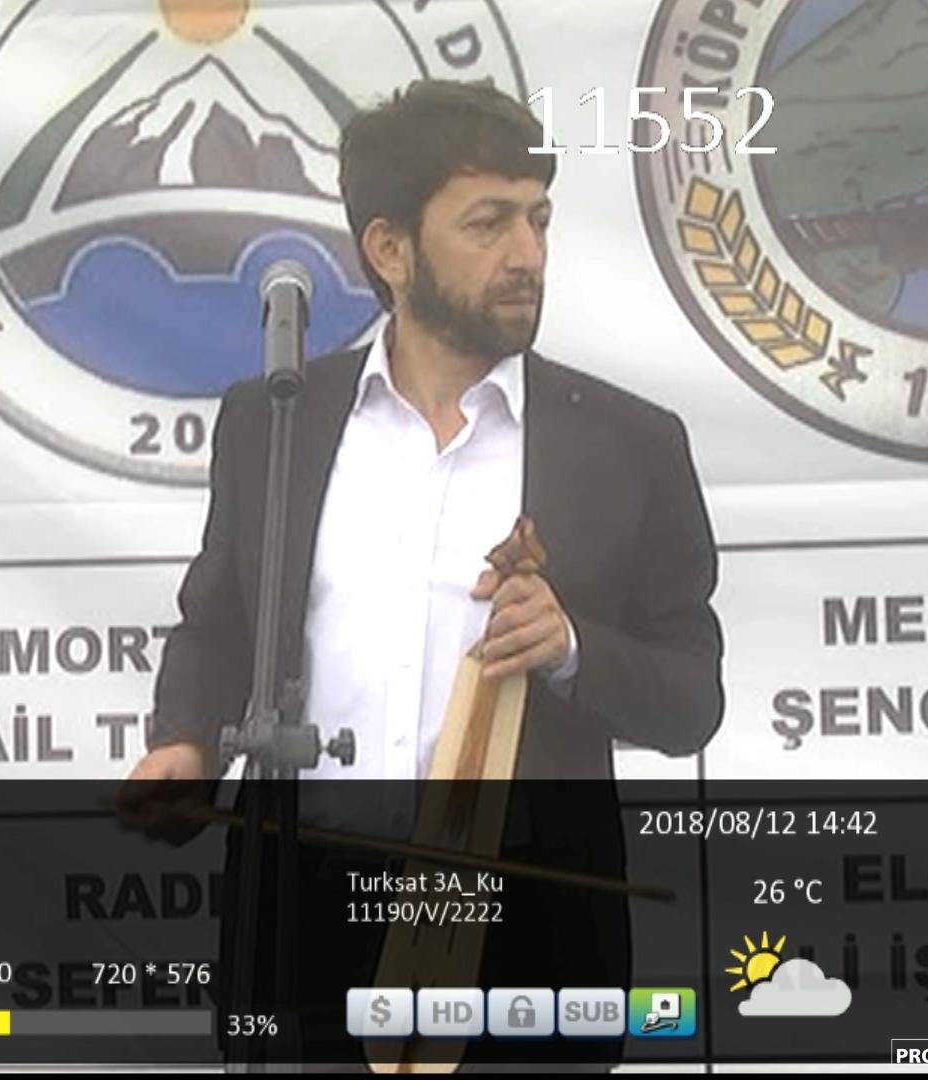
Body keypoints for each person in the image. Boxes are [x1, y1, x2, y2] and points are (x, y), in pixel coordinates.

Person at [122, 80, 726, 1068]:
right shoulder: (273, 422)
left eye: (538, 220)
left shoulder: (628, 445)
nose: (526, 254)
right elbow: (223, 624)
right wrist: (184, 743)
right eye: (488, 224)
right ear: (389, 250)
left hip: (528, 949)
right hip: (305, 931)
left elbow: (692, 698)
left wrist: (573, 648)